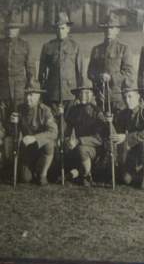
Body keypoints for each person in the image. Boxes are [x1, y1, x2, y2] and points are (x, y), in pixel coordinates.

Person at [0, 15, 36, 172]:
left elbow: (30, 69)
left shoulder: (24, 45)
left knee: (23, 125)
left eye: (13, 28)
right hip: (3, 91)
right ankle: (6, 162)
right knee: (5, 125)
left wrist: (30, 87)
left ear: (18, 29)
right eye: (8, 28)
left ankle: (25, 161)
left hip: (20, 92)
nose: (10, 31)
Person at [7, 81, 58, 186]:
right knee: (25, 178)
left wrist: (35, 138)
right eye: (26, 94)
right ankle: (34, 170)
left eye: (31, 95)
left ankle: (43, 174)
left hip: (42, 148)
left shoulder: (45, 111)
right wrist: (13, 124)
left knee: (50, 144)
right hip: (28, 149)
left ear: (38, 96)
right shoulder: (19, 109)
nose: (27, 98)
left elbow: (53, 132)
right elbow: (13, 134)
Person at [111, 83, 144, 190]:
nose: (127, 100)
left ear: (138, 96)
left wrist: (126, 137)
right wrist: (109, 122)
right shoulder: (123, 114)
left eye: (130, 96)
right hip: (132, 150)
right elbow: (118, 135)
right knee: (126, 180)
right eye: (125, 97)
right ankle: (136, 172)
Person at [87, 10, 134, 113]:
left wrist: (111, 77)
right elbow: (90, 72)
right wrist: (99, 76)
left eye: (112, 28)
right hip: (101, 96)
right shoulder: (96, 49)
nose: (108, 31)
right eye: (106, 28)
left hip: (118, 97)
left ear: (117, 30)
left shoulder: (124, 49)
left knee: (118, 127)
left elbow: (129, 74)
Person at [38, 12, 84, 116]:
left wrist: (80, 93)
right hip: (52, 92)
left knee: (69, 122)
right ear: (54, 29)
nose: (60, 31)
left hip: (70, 92)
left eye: (62, 28)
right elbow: (42, 73)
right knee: (53, 121)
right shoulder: (47, 46)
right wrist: (41, 93)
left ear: (68, 29)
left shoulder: (75, 46)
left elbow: (80, 72)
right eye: (57, 28)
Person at [64, 80, 106, 186]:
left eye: (87, 92)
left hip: (95, 148)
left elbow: (99, 139)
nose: (83, 95)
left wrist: (79, 141)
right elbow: (67, 129)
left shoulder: (97, 112)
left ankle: (87, 175)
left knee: (82, 150)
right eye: (81, 92)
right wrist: (67, 139)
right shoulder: (74, 110)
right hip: (78, 146)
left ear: (92, 95)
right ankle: (77, 172)